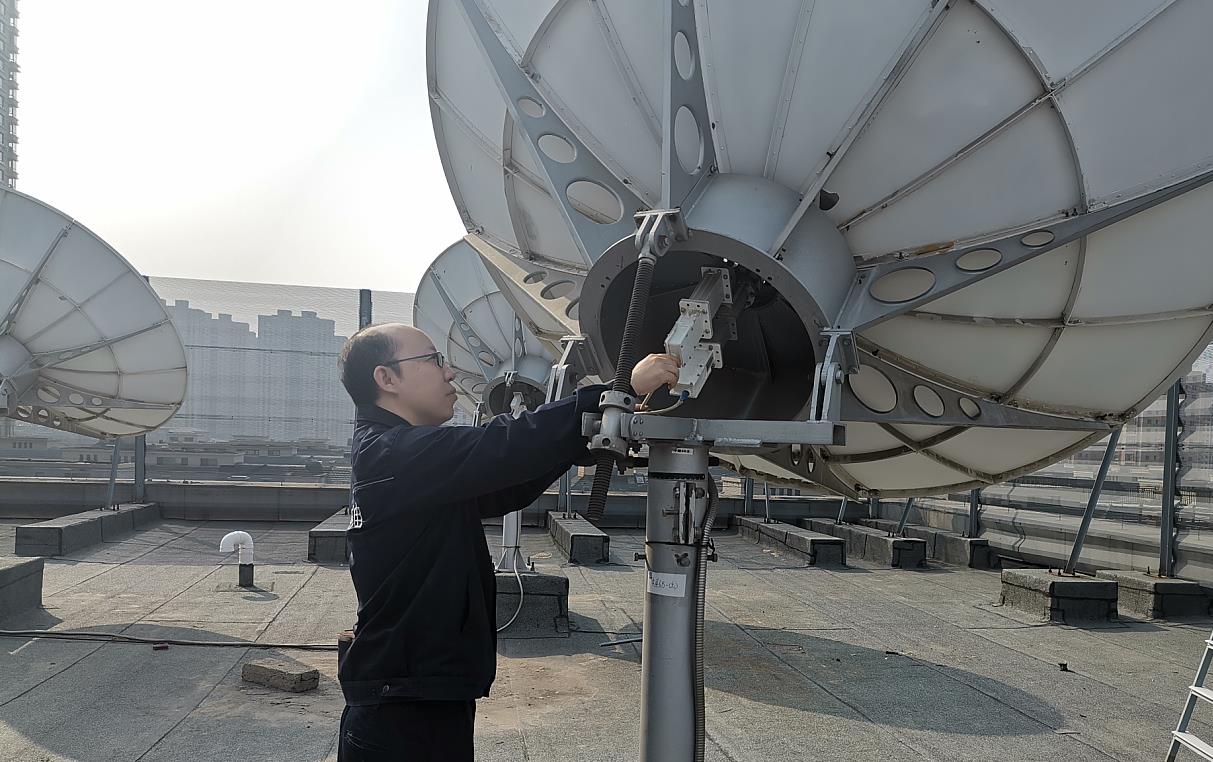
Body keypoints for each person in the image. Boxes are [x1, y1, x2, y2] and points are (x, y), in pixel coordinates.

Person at [335, 322, 679, 761]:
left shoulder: (396, 457)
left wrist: (583, 438)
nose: (449, 373)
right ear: (386, 378)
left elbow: (506, 484)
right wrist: (616, 392)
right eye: (434, 360)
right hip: (402, 707)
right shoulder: (393, 454)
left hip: (413, 693)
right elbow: (505, 444)